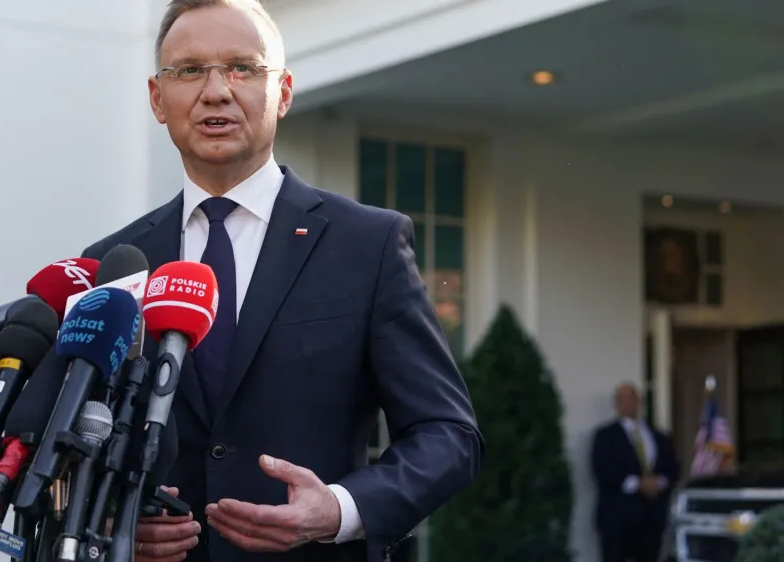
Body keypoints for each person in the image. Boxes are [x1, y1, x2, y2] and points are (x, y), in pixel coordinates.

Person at [81, 1, 484, 560]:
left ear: (284, 92)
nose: (217, 90)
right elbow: (84, 436)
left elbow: (448, 435)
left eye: (242, 68)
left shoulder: (366, 244)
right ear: (157, 98)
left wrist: (340, 509)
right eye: (190, 70)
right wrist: (113, 515)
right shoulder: (115, 264)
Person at [591, 383, 680, 562]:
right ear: (616, 403)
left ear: (640, 402)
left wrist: (658, 482)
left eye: (632, 398)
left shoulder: (659, 436)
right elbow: (601, 470)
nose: (628, 403)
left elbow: (673, 469)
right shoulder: (605, 436)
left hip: (651, 517)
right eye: (622, 399)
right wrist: (637, 483)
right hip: (617, 517)